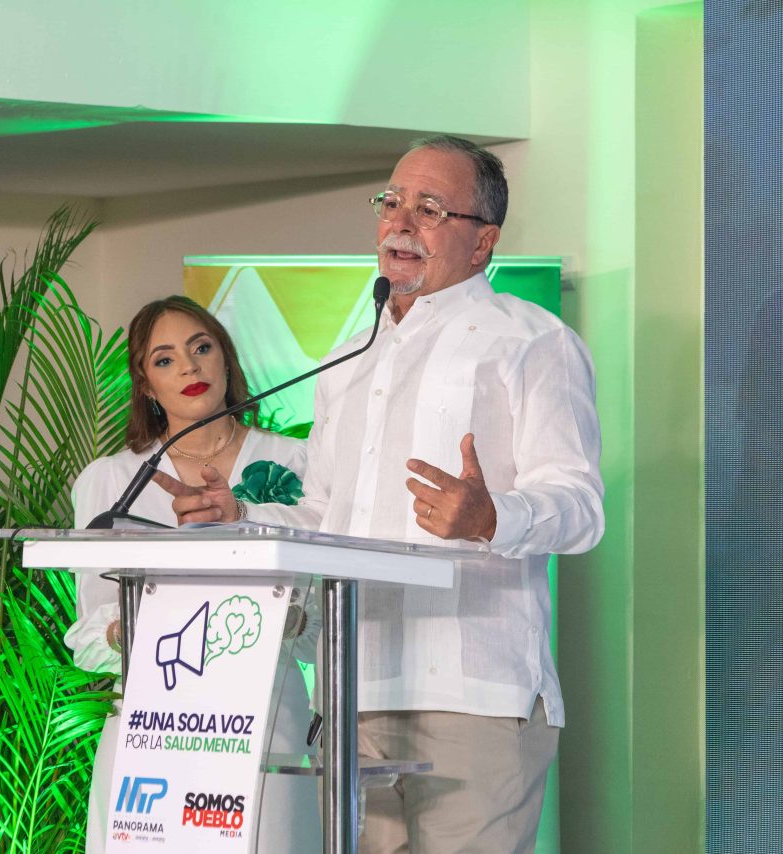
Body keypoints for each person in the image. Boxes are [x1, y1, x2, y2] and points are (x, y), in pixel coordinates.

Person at [157, 136, 605, 852]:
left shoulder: (531, 342)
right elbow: (325, 512)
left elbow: (580, 505)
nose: (400, 221)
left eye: (430, 208)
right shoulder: (347, 362)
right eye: (390, 202)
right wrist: (241, 516)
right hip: (353, 691)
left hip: (472, 695)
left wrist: (492, 516)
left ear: (483, 241)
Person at [64, 295, 320, 854]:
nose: (188, 366)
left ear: (225, 357)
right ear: (145, 384)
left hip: (267, 723)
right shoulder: (111, 480)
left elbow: (325, 621)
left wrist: (286, 616)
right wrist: (143, 626)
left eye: (201, 348)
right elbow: (91, 634)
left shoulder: (300, 462)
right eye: (165, 359)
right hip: (151, 733)